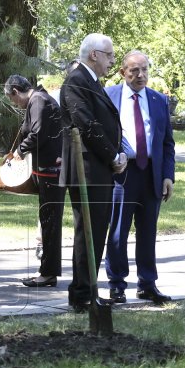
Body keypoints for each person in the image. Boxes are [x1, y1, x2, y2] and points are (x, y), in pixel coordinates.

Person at [59, 33, 125, 313]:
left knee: (96, 231)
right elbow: (86, 124)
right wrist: (112, 155)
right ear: (94, 55)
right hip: (87, 168)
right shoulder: (77, 80)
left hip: (97, 169)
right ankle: (83, 293)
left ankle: (88, 290)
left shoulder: (90, 81)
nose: (112, 61)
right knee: (88, 231)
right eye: (109, 55)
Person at [104, 50, 176, 305]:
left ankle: (147, 283)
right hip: (121, 173)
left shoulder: (158, 100)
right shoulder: (108, 96)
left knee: (148, 232)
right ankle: (116, 284)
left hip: (151, 175)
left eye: (144, 69)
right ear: (123, 72)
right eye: (134, 70)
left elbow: (167, 143)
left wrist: (168, 176)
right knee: (118, 232)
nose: (140, 75)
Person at [4, 74, 64, 288]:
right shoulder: (41, 98)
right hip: (46, 169)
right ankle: (48, 271)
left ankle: (48, 273)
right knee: (48, 220)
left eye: (13, 100)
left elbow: (38, 132)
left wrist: (20, 150)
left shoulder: (38, 100)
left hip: (50, 170)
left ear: (15, 92)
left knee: (49, 222)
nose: (15, 104)